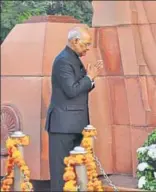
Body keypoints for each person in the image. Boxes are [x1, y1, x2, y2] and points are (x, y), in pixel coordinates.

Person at [45, 26, 103, 191]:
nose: (87, 48)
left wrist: (90, 80)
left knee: (78, 173)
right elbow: (71, 90)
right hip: (62, 126)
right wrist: (89, 77)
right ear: (75, 41)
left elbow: (80, 86)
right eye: (85, 44)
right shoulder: (63, 60)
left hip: (75, 125)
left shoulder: (73, 58)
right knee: (61, 175)